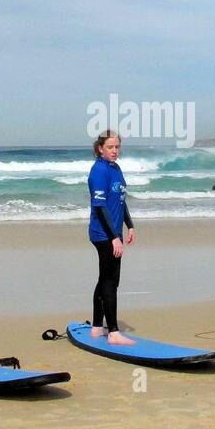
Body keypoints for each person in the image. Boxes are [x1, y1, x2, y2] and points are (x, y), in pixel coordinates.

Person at [87, 130, 135, 345]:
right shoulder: (99, 171)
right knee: (111, 280)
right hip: (103, 233)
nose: (114, 151)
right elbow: (100, 206)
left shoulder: (116, 169)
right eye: (110, 147)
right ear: (100, 148)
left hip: (114, 232)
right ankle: (113, 332)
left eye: (117, 147)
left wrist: (129, 225)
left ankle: (97, 327)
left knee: (105, 278)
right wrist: (114, 236)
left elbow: (121, 201)